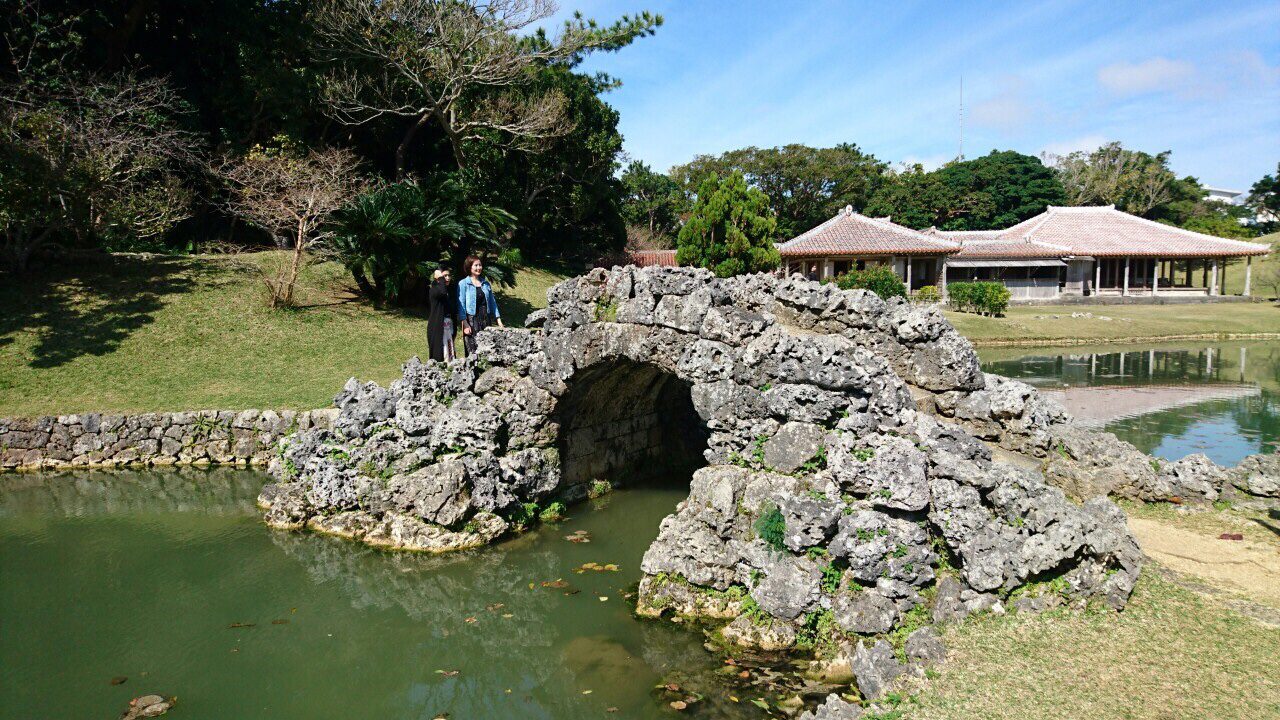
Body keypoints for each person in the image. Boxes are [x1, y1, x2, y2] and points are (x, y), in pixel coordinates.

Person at [458, 255, 503, 357]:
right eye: (476, 265)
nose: (479, 268)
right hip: (471, 320)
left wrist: (499, 321)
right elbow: (461, 306)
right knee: (473, 351)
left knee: (487, 350)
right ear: (469, 267)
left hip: (485, 319)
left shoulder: (485, 283)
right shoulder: (463, 283)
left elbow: (492, 302)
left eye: (480, 265)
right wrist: (465, 324)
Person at [426, 268, 457, 362]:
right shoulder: (434, 290)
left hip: (449, 327)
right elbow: (442, 292)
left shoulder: (450, 291)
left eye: (449, 275)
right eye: (444, 276)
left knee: (450, 355)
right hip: (437, 327)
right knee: (440, 355)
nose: (447, 278)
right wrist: (440, 278)